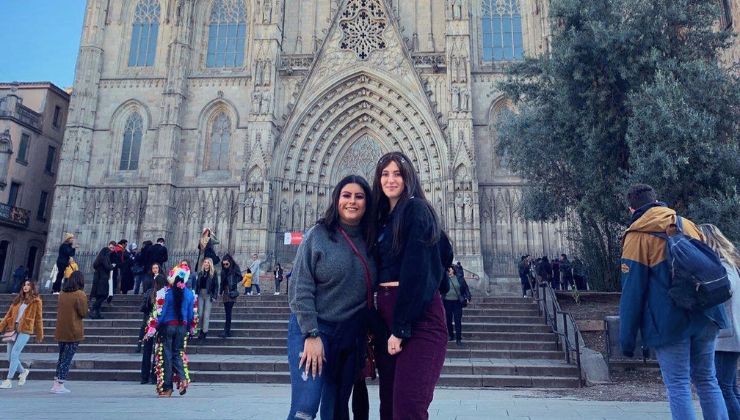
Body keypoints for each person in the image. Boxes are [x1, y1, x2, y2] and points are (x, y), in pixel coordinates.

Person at [619, 183, 728, 420]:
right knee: (708, 379)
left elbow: (632, 292)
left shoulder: (637, 236)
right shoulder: (687, 224)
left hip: (670, 320)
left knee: (678, 384)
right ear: (656, 201)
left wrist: (626, 341)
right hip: (707, 313)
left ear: (631, 209)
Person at [287, 174, 376, 419]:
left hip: (347, 337)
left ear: (367, 203)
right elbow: (300, 287)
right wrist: (311, 334)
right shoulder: (318, 235)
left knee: (334, 410)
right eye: (346, 195)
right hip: (313, 329)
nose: (352, 201)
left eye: (359, 196)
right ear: (337, 199)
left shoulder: (373, 241)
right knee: (305, 407)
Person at [370, 151, 448, 419]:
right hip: (389, 319)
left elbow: (418, 268)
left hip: (417, 319)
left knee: (408, 409)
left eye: (398, 174)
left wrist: (401, 326)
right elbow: (443, 249)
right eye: (385, 174)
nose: (391, 179)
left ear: (408, 178)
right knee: (389, 408)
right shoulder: (382, 218)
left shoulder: (416, 209)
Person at [701, 224, 740, 419]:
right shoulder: (729, 264)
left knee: (723, 386)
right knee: (729, 386)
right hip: (729, 334)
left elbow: (727, 289)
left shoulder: (723, 265)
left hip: (727, 336)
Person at [144, 263, 197, 397]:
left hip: (168, 327)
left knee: (167, 357)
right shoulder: (190, 294)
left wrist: (152, 328)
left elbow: (162, 313)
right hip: (182, 327)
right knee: (178, 354)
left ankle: (167, 389)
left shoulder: (167, 293)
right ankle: (183, 378)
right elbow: (191, 315)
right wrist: (191, 328)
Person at [0, 280, 44, 389]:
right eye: (24, 284)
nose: (25, 286)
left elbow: (38, 319)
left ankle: (8, 380)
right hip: (12, 328)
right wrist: (1, 326)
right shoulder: (17, 300)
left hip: (25, 330)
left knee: (15, 354)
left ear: (32, 287)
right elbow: (7, 315)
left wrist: (39, 334)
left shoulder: (36, 301)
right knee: (9, 357)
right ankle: (23, 372)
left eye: (28, 285)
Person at [52, 271, 88, 393]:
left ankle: (56, 382)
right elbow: (83, 312)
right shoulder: (80, 294)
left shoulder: (62, 293)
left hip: (61, 329)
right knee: (67, 358)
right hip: (73, 330)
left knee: (61, 357)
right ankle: (60, 383)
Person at [138, 271, 166, 383]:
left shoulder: (150, 292)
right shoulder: (164, 294)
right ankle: (155, 376)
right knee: (157, 350)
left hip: (148, 323)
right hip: (159, 325)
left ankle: (144, 377)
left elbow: (144, 308)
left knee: (147, 351)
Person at [444, 266, 471, 346]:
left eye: (450, 268)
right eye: (447, 269)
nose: (449, 270)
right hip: (447, 302)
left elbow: (466, 288)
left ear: (453, 270)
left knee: (457, 321)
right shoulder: (444, 279)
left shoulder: (459, 278)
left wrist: (468, 297)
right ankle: (451, 335)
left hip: (457, 303)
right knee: (448, 320)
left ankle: (458, 339)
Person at [90, 242, 116, 319]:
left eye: (112, 248)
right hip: (102, 280)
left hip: (98, 280)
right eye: (110, 248)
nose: (110, 250)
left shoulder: (99, 259)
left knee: (99, 296)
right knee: (104, 295)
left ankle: (97, 314)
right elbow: (107, 267)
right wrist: (112, 266)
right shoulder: (105, 256)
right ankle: (93, 308)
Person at [195, 258, 219, 341]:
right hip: (201, 294)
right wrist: (195, 293)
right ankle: (201, 329)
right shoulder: (201, 273)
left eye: (208, 263)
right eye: (205, 262)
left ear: (210, 264)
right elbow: (197, 284)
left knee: (206, 314)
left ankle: (204, 332)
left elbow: (216, 285)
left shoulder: (213, 273)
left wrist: (215, 296)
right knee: (200, 314)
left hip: (209, 294)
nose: (206, 264)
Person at [219, 254, 241, 338]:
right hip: (225, 292)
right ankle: (227, 331)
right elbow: (222, 282)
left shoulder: (235, 268)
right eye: (223, 264)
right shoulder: (223, 270)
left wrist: (234, 281)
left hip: (231, 292)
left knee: (228, 312)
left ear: (230, 262)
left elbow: (240, 277)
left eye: (226, 264)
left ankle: (226, 331)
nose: (225, 265)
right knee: (227, 312)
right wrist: (220, 292)